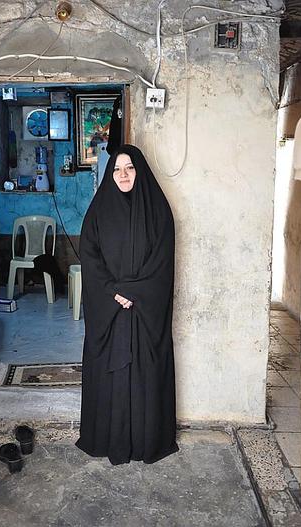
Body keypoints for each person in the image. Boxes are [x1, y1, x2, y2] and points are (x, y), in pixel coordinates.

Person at [75, 144, 179, 465]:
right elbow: (90, 258)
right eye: (117, 169)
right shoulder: (98, 211)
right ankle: (109, 439)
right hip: (111, 307)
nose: (123, 175)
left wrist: (134, 292)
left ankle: (147, 441)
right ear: (110, 173)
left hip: (144, 310)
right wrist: (112, 291)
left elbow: (162, 261)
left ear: (140, 171)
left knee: (145, 372)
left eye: (130, 168)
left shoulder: (159, 211)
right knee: (111, 375)